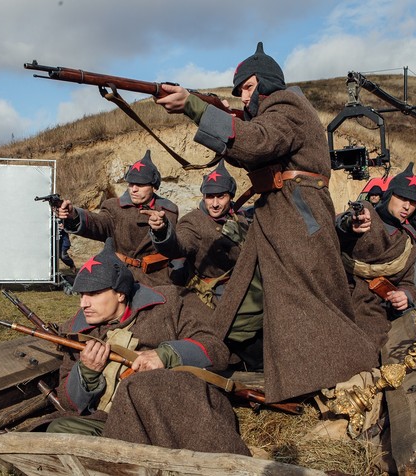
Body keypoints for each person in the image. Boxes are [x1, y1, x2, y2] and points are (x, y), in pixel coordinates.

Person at [154, 41, 379, 403]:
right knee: (242, 306)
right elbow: (249, 149)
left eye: (247, 88)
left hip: (296, 216)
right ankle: (245, 363)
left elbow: (256, 142)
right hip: (279, 216)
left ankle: (350, 369)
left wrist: (194, 107)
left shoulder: (287, 104)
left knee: (310, 302)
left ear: (265, 82)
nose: (244, 98)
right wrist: (218, 114)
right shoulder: (275, 112)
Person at [46, 238, 248, 455]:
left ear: (120, 293)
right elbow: (68, 403)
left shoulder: (169, 305)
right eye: (81, 295)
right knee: (58, 430)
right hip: (112, 422)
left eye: (93, 294)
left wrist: (165, 355)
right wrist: (86, 373)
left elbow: (215, 348)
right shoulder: (77, 331)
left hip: (171, 415)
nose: (83, 303)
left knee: (139, 387)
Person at [145, 161, 259, 369]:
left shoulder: (240, 217)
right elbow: (179, 245)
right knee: (242, 332)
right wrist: (162, 231)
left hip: (249, 285)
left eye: (221, 197)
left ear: (230, 196)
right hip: (217, 294)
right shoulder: (193, 222)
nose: (214, 203)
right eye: (209, 197)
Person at [336, 163, 416, 349]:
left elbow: (408, 283)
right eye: (402, 197)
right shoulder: (366, 212)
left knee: (371, 343)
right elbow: (341, 223)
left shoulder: (409, 242)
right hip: (339, 293)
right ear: (390, 195)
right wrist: (350, 223)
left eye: (413, 202)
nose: (407, 206)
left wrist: (405, 295)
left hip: (375, 307)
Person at [57, 150, 179, 287]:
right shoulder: (114, 207)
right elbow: (99, 223)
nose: (133, 189)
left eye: (140, 185)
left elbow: (174, 247)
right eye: (131, 184)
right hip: (119, 274)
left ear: (154, 187)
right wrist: (74, 215)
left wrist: (161, 229)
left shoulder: (168, 211)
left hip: (157, 278)